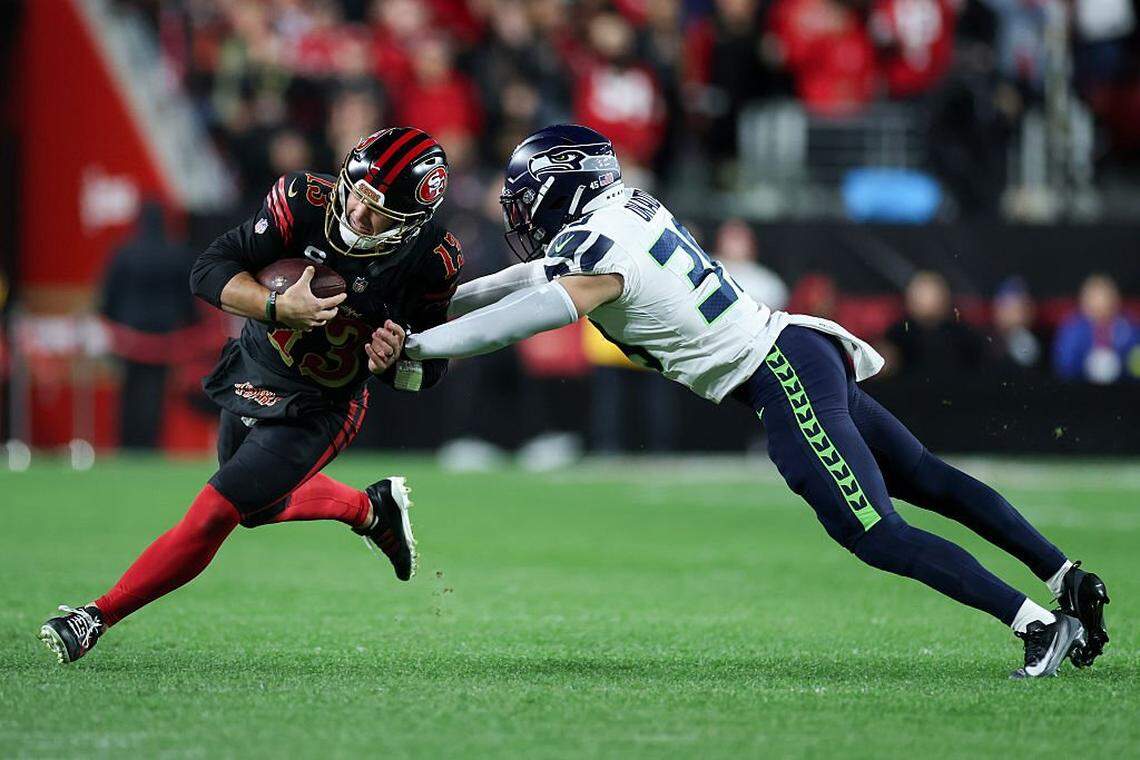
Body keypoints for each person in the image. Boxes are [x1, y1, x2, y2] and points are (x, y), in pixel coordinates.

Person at [396, 124, 1110, 678]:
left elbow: (537, 309)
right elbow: (530, 281)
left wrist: (424, 345)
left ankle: (1038, 623)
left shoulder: (599, 249)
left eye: (527, 199)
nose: (522, 215)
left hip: (778, 373)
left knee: (874, 530)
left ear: (564, 189)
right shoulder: (622, 213)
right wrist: (435, 305)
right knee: (925, 476)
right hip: (797, 350)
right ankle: (1067, 577)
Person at [39, 127, 463, 664]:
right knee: (258, 509)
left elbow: (430, 372)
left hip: (322, 405)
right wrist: (274, 306)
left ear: (411, 222)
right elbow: (208, 271)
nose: (358, 213)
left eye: (379, 211)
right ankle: (369, 509)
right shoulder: (302, 200)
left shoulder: (432, 259)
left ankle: (94, 617)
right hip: (256, 366)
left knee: (215, 512)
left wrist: (394, 363)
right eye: (357, 194)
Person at [99, 201, 200, 449]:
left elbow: (109, 296)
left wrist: (113, 321)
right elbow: (188, 298)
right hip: (165, 333)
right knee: (156, 392)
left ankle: (127, 441)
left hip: (128, 335)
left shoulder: (124, 253)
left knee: (129, 390)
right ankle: (150, 441)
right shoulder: (178, 254)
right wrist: (189, 323)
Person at [1053, 273, 1139, 384]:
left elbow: (1136, 362)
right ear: (1084, 301)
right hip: (1080, 387)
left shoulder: (1129, 326)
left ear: (1116, 300)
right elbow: (1064, 364)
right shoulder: (1072, 328)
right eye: (1095, 297)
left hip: (1122, 387)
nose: (1100, 304)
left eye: (1106, 297)